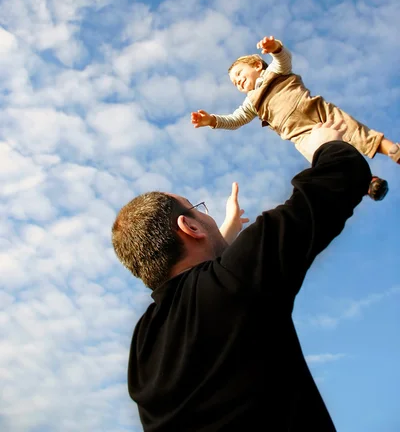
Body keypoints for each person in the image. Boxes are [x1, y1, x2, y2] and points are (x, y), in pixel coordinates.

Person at [112, 119, 372, 431]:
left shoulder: (143, 347)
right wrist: (325, 144)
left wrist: (223, 233)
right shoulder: (234, 284)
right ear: (190, 227)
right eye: (197, 209)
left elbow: (204, 287)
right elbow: (337, 179)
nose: (205, 214)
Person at [191, 36, 400, 201]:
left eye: (239, 74)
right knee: (330, 160)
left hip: (316, 111)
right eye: (235, 83)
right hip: (301, 136)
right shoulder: (251, 103)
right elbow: (236, 119)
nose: (238, 81)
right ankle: (368, 184)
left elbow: (284, 59)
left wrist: (275, 48)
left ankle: (392, 150)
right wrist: (212, 121)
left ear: (256, 65)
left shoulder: (274, 72)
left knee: (353, 131)